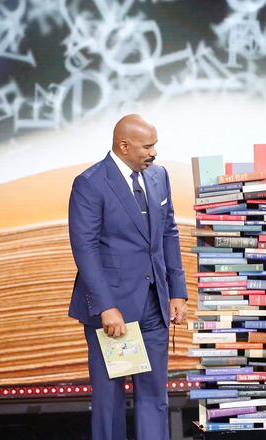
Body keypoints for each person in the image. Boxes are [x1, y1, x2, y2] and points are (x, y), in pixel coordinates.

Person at [68, 114, 188, 440]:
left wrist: (177, 291)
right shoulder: (90, 183)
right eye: (147, 146)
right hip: (114, 310)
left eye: (155, 145)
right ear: (124, 145)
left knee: (155, 397)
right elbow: (85, 248)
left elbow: (169, 234)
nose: (154, 153)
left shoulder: (159, 176)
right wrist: (106, 307)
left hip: (154, 305)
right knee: (110, 401)